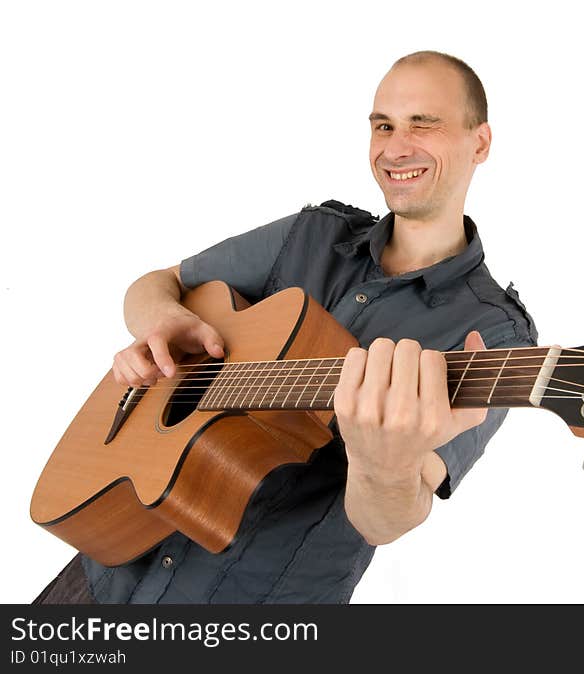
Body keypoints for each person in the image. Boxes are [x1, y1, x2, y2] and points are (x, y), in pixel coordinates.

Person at [33, 50, 538, 604]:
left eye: (424, 124)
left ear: (480, 142)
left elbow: (387, 521)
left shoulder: (492, 336)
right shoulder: (311, 235)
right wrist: (162, 324)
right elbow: (155, 284)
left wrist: (381, 462)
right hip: (107, 575)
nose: (396, 147)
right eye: (383, 126)